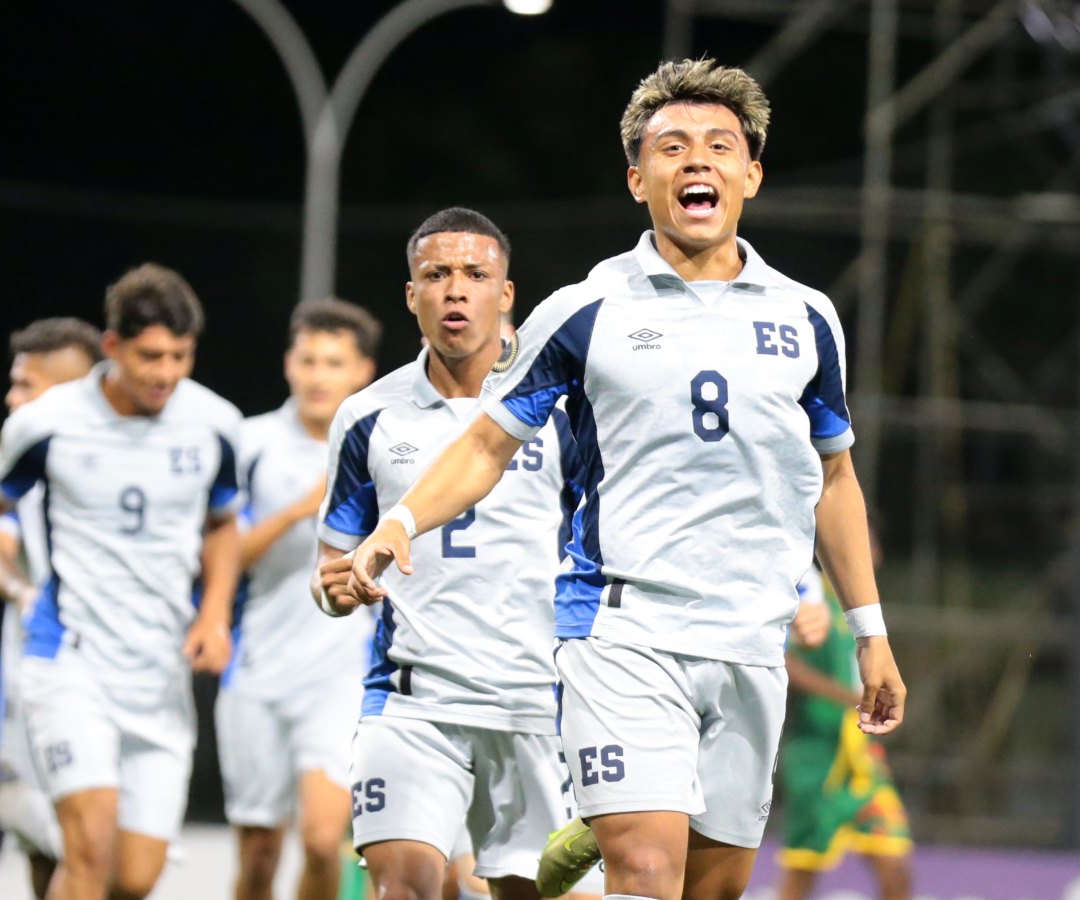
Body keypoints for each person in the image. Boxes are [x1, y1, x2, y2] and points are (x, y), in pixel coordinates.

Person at [342, 58, 907, 900]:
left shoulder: (807, 316)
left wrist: (871, 628)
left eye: (720, 146)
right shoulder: (585, 308)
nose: (697, 162)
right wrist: (401, 521)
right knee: (646, 870)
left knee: (709, 890)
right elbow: (489, 443)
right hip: (622, 630)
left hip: (751, 641)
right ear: (638, 177)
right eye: (672, 147)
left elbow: (833, 478)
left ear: (751, 173)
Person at [0, 263, 242, 900]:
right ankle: (30, 813)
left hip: (157, 674)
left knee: (134, 877)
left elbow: (223, 525)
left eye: (180, 356)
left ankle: (16, 807)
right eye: (151, 356)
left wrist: (212, 614)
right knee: (89, 851)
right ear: (113, 346)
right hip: (68, 660)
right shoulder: (49, 422)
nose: (165, 373)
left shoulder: (214, 424)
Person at [315, 207, 583, 900]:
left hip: (539, 705)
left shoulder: (564, 410)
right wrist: (337, 591)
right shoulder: (369, 416)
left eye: (474, 274)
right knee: (403, 885)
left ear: (507, 293)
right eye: (436, 275)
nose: (455, 290)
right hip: (412, 703)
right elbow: (330, 573)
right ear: (412, 295)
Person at [216, 298, 380, 900]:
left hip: (341, 673)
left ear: (362, 370)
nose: (317, 375)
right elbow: (218, 557)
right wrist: (304, 507)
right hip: (256, 669)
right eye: (308, 359)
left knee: (320, 839)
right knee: (258, 856)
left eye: (333, 362)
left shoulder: (383, 440)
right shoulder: (249, 440)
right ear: (289, 364)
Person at [0, 318, 103, 897]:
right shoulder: (18, 459)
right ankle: (8, 799)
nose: (12, 398)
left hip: (121, 666)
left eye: (26, 386)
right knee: (65, 844)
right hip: (42, 656)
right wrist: (20, 591)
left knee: (96, 845)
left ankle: (3, 800)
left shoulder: (123, 454)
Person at [776, 566, 913, 900]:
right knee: (802, 872)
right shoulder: (811, 595)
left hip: (862, 761)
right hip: (817, 758)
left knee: (895, 865)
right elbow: (785, 662)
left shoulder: (865, 614)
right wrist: (847, 697)